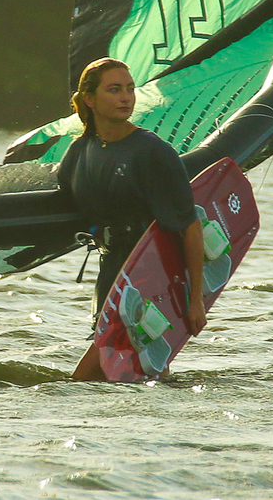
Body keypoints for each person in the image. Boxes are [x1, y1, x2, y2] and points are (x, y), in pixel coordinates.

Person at [58, 58, 207, 378]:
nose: (126, 97)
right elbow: (67, 210)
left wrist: (196, 299)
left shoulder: (152, 150)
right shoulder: (79, 153)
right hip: (110, 266)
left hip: (150, 269)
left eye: (129, 89)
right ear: (90, 99)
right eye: (114, 90)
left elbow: (190, 224)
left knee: (89, 375)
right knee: (129, 366)